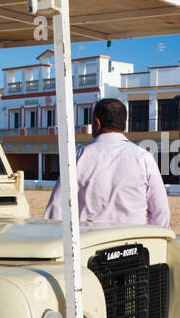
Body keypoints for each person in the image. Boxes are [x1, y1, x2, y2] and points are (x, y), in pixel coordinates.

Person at [44, 97, 170, 228]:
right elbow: (161, 212)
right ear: (123, 124)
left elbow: (57, 208)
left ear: (97, 124)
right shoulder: (144, 158)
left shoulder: (78, 157)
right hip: (133, 243)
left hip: (89, 243)